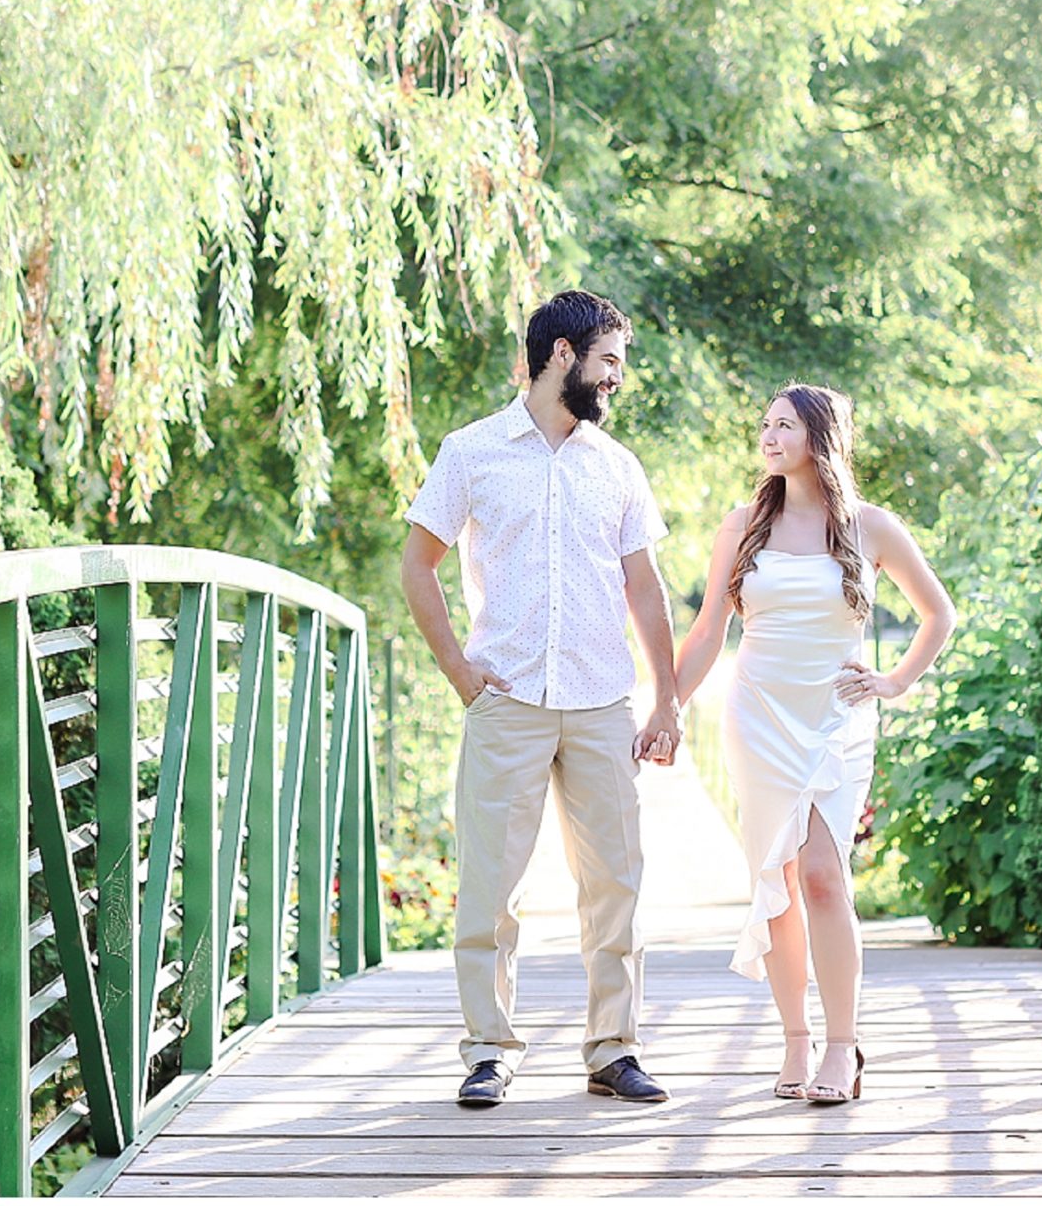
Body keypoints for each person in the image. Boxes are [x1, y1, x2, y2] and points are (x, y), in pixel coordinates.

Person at [401, 288, 685, 1110]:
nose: (617, 380)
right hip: (509, 695)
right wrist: (459, 668)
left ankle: (613, 1049)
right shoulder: (472, 451)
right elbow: (417, 564)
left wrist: (665, 698)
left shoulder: (616, 464)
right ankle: (489, 1050)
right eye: (610, 363)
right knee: (491, 884)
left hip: (601, 700)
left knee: (616, 884)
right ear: (563, 355)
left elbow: (646, 586)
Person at [672, 383, 955, 1105]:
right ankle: (795, 1038)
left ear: (820, 436)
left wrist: (892, 682)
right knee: (777, 878)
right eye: (764, 424)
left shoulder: (871, 526)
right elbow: (709, 630)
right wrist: (666, 706)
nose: (768, 436)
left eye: (785, 424)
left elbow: (938, 614)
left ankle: (841, 1044)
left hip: (836, 713)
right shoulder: (742, 524)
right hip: (759, 712)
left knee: (825, 874)